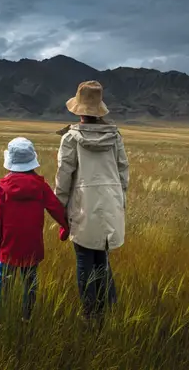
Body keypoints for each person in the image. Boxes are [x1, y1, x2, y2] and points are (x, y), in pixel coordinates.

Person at [55, 80, 129, 322]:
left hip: (83, 205)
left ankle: (90, 314)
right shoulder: (115, 136)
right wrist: (120, 202)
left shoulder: (70, 138)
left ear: (78, 111)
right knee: (102, 257)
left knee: (84, 258)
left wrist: (60, 209)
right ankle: (109, 308)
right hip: (110, 204)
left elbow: (64, 176)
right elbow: (122, 171)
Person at [0, 137, 69, 321]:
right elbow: (56, 209)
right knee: (30, 281)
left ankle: (2, 316)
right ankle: (27, 317)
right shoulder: (41, 186)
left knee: (5, 283)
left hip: (8, 246)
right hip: (32, 245)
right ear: (32, 160)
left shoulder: (4, 186)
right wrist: (65, 228)